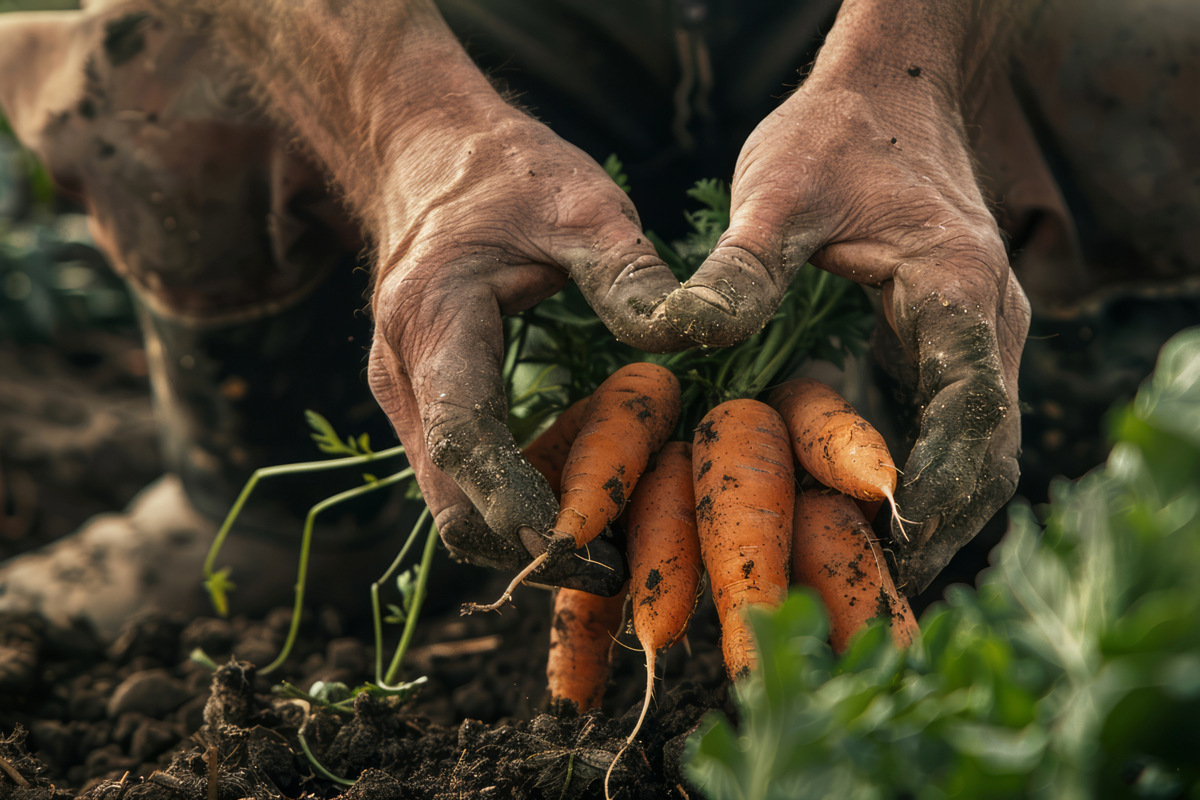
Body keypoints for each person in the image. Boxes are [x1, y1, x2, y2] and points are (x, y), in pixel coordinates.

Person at [0, 0, 1193, 638]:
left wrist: (907, 73)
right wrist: (414, 126)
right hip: (477, 32)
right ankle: (260, 505)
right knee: (153, 74)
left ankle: (1037, 438)